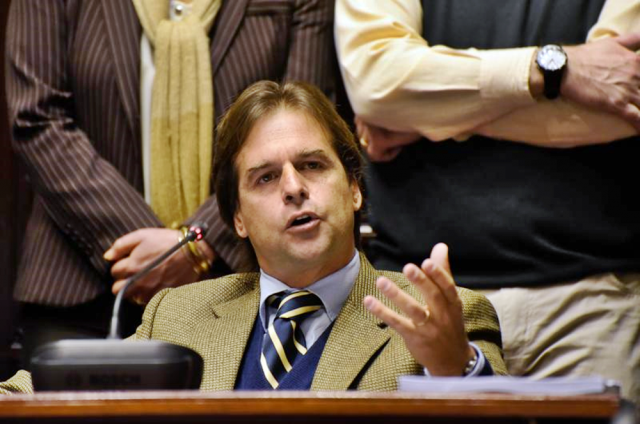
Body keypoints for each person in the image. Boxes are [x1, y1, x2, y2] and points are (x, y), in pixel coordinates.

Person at [0, 81, 505, 394]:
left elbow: (505, 415)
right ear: (237, 219)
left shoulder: (440, 316)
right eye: (265, 177)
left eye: (312, 165)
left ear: (354, 189)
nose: (294, 188)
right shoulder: (177, 316)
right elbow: (36, 391)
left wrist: (452, 369)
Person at [335, 0, 640, 401]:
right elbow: (377, 84)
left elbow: (623, 98)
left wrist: (426, 119)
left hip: (591, 301)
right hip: (421, 299)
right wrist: (554, 72)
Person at [5, 0, 335, 365]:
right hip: (82, 284)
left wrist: (198, 243)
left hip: (241, 282)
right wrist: (163, 253)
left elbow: (307, 119)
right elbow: (37, 118)